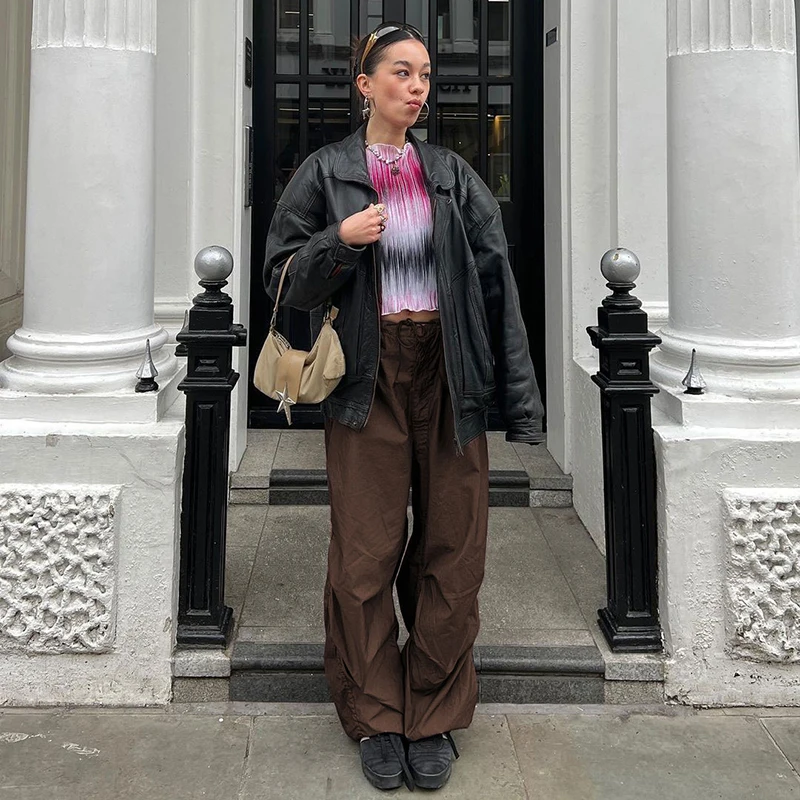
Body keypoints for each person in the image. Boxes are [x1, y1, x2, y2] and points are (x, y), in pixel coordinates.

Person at [263, 21, 544, 792]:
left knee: (454, 550)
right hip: (369, 374)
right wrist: (341, 239)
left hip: (449, 373)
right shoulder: (325, 172)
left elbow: (497, 285)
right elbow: (281, 278)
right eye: (400, 72)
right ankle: (377, 714)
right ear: (365, 85)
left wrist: (517, 399)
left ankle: (432, 713)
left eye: (423, 74)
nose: (417, 87)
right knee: (365, 553)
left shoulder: (451, 174)